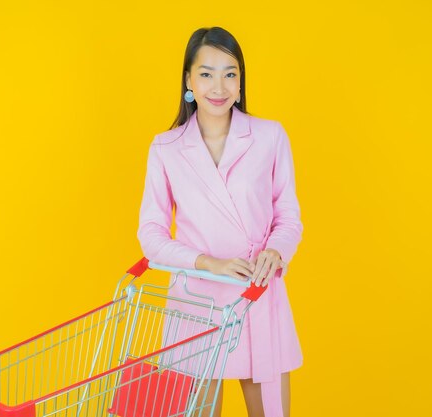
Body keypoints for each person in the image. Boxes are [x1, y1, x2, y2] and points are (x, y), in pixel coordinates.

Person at [136, 27, 304, 417]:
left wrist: (276, 250)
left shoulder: (270, 136)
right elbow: (151, 234)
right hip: (196, 303)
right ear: (189, 81)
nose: (219, 85)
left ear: (241, 82)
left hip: (257, 295)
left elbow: (288, 216)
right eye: (207, 73)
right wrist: (208, 263)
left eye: (230, 73)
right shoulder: (166, 147)